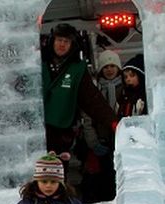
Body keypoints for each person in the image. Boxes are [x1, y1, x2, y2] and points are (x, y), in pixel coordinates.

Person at [41, 23, 117, 158]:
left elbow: (92, 99)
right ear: (52, 41)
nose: (62, 44)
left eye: (66, 41)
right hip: (38, 130)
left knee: (57, 173)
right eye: (59, 40)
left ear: (72, 45)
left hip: (61, 131)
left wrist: (113, 122)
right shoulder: (38, 63)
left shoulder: (77, 69)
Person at [79, 50, 122, 203]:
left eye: (112, 66)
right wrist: (93, 142)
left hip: (119, 139)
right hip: (101, 139)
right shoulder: (94, 90)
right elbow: (88, 119)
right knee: (103, 175)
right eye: (106, 67)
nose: (109, 70)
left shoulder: (124, 89)